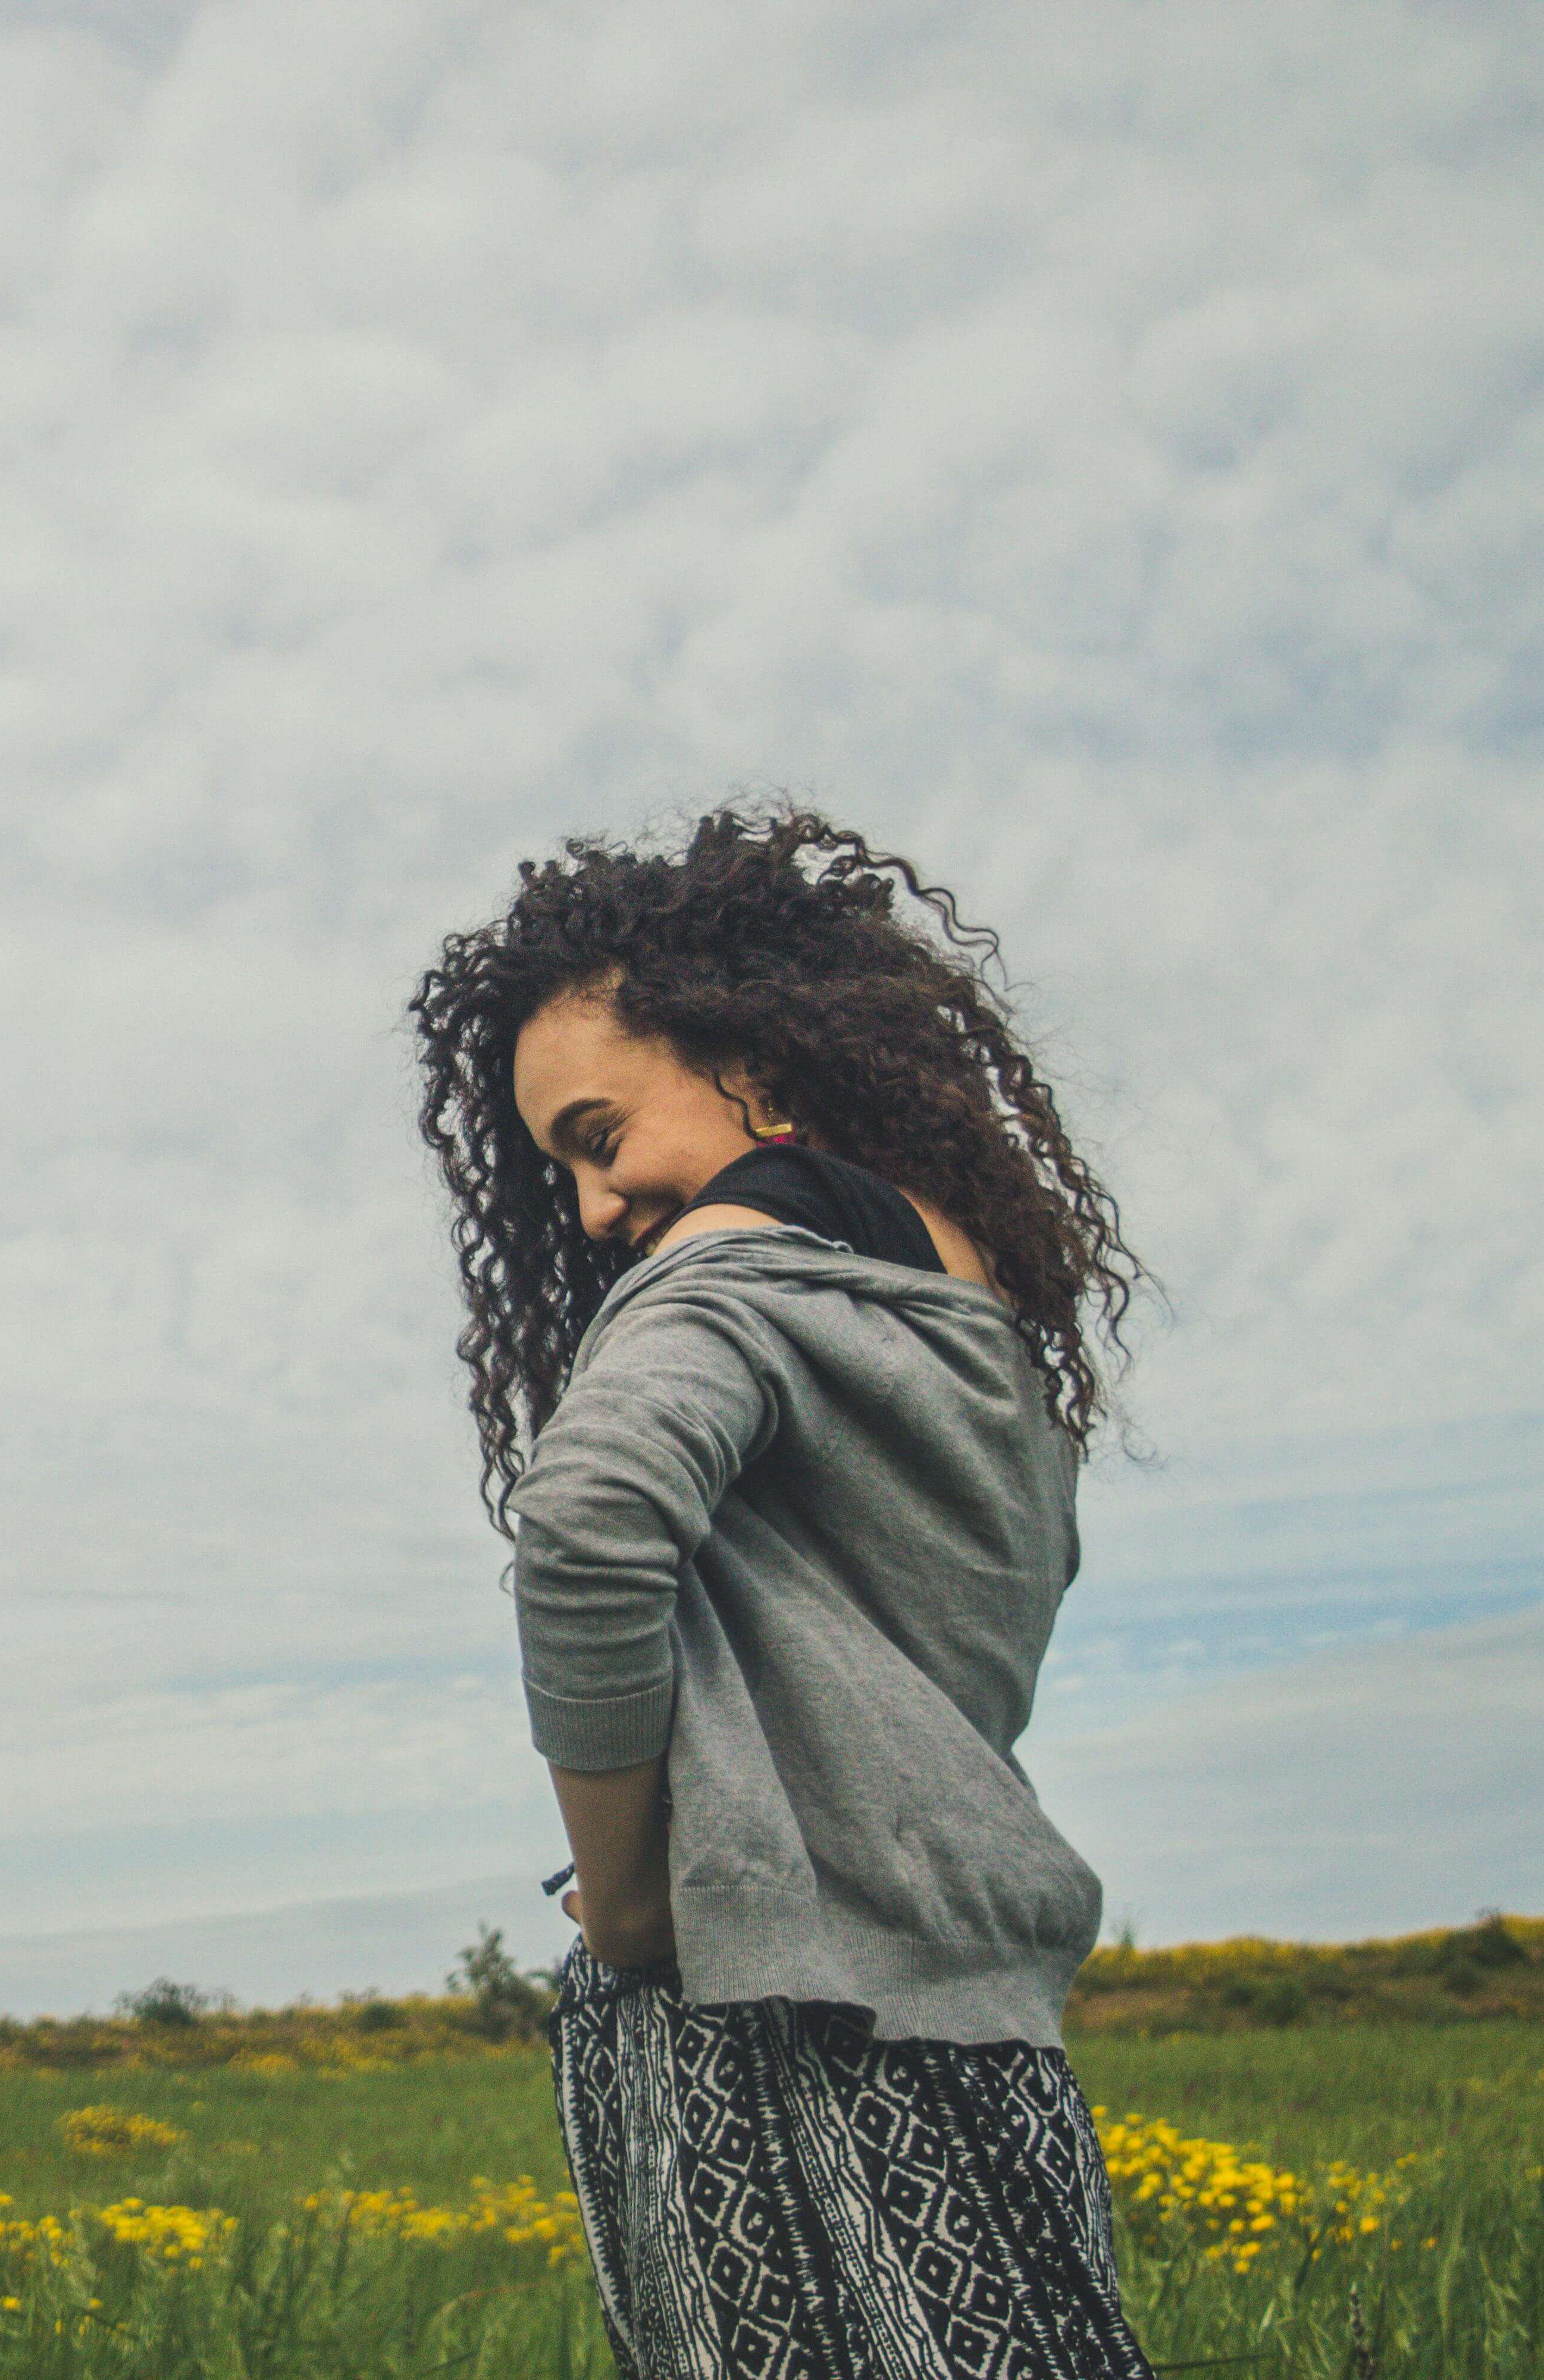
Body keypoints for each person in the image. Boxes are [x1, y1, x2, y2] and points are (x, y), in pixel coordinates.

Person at [411, 809, 1153, 2379]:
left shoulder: (738, 1259)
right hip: (971, 2012)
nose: (598, 1210)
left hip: (773, 2014)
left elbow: (594, 1513)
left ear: (755, 1063)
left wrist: (623, 1906)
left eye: (600, 1138)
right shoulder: (966, 1308)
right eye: (566, 1174)